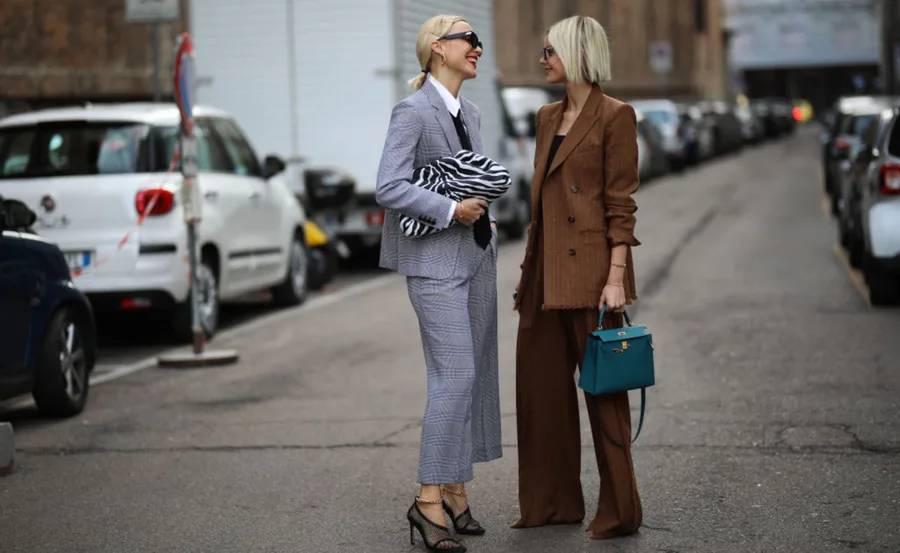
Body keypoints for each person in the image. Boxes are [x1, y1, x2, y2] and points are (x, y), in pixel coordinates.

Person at [512, 15, 643, 540]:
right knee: (539, 396)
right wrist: (527, 275)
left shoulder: (616, 116)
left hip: (593, 277)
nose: (542, 59)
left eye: (550, 50)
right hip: (543, 277)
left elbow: (621, 206)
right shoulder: (546, 116)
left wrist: (615, 279)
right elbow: (541, 208)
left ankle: (620, 511)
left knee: (605, 397)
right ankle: (551, 504)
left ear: (577, 55)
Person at [375, 14, 502, 553]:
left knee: (473, 377)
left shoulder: (468, 110)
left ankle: (454, 487)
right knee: (454, 376)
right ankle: (427, 500)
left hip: (475, 260)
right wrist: (450, 208)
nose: (477, 46)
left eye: (478, 39)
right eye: (467, 39)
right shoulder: (412, 111)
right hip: (433, 267)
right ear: (436, 48)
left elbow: (469, 173)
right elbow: (389, 185)